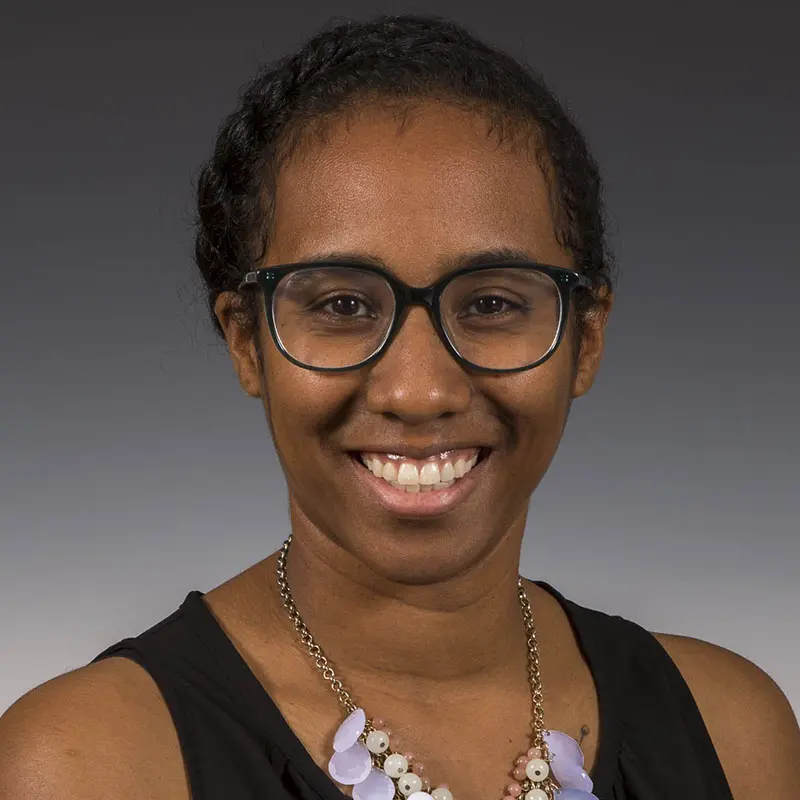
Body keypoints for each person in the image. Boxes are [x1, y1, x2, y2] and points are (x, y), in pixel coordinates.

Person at [1, 13, 797, 800]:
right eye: (343, 305)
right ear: (246, 341)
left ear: (585, 338)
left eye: (489, 303)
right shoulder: (88, 763)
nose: (419, 391)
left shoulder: (734, 735)